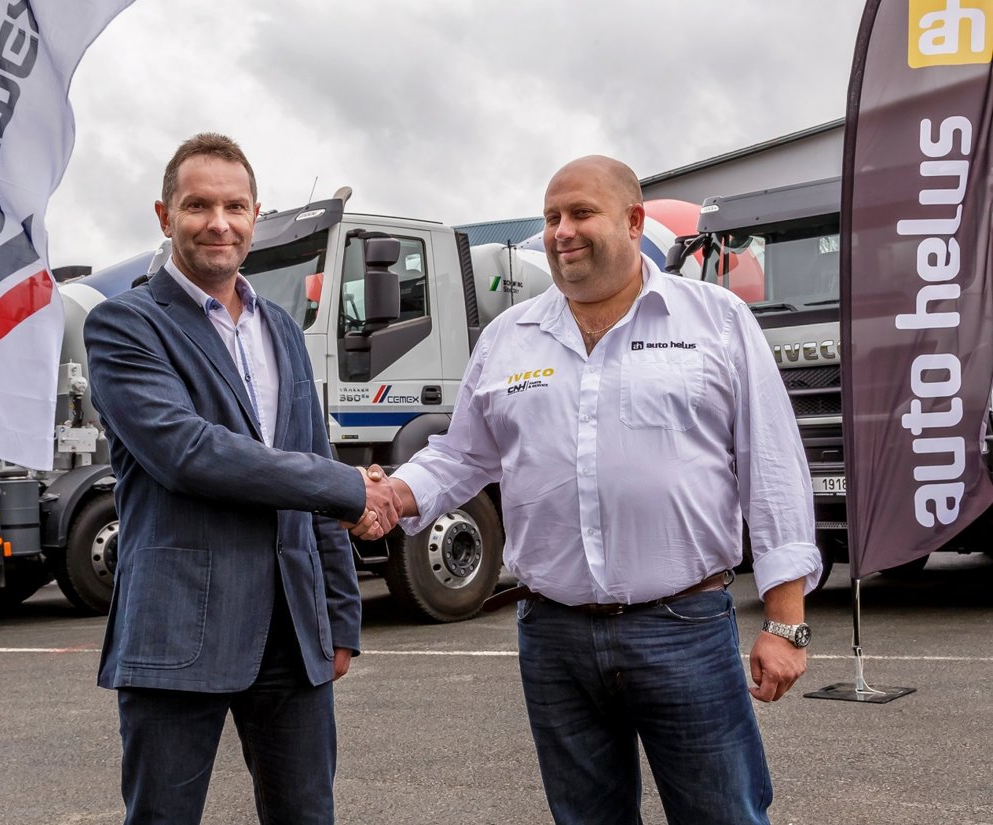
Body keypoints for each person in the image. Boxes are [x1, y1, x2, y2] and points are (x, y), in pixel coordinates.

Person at [379, 155, 822, 825]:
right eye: (551, 217)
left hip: (683, 626)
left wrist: (786, 622)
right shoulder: (508, 338)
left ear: (633, 220)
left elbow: (774, 467)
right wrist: (393, 496)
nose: (561, 231)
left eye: (581, 213)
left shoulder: (715, 320)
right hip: (554, 635)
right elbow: (461, 457)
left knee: (722, 815)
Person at [84, 132, 400, 825]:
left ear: (256, 215)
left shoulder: (282, 328)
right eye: (198, 205)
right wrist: (354, 490)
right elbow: (189, 452)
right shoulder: (124, 325)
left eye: (234, 207)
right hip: (179, 629)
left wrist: (339, 614)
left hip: (294, 630)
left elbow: (311, 455)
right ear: (165, 216)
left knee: (307, 814)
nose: (218, 223)